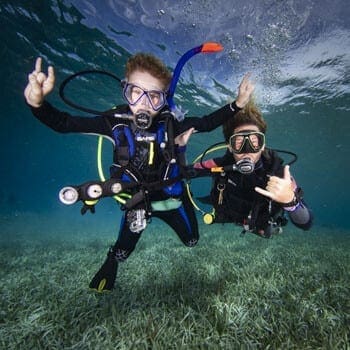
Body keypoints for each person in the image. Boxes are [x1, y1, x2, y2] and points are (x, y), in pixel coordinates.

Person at [24, 54, 254, 292]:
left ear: (163, 100)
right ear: (126, 90)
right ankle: (111, 260)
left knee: (192, 241)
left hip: (172, 201)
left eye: (154, 97)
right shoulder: (113, 123)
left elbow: (206, 123)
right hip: (136, 203)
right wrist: (38, 104)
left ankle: (169, 218)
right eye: (136, 92)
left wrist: (237, 105)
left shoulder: (172, 123)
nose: (144, 103)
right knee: (121, 253)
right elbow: (64, 123)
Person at [194, 101, 313, 237]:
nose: (247, 150)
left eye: (254, 142)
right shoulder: (219, 164)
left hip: (260, 223)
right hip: (229, 213)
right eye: (239, 142)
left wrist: (290, 201)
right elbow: (185, 171)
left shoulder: (278, 173)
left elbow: (306, 223)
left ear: (262, 145)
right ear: (230, 146)